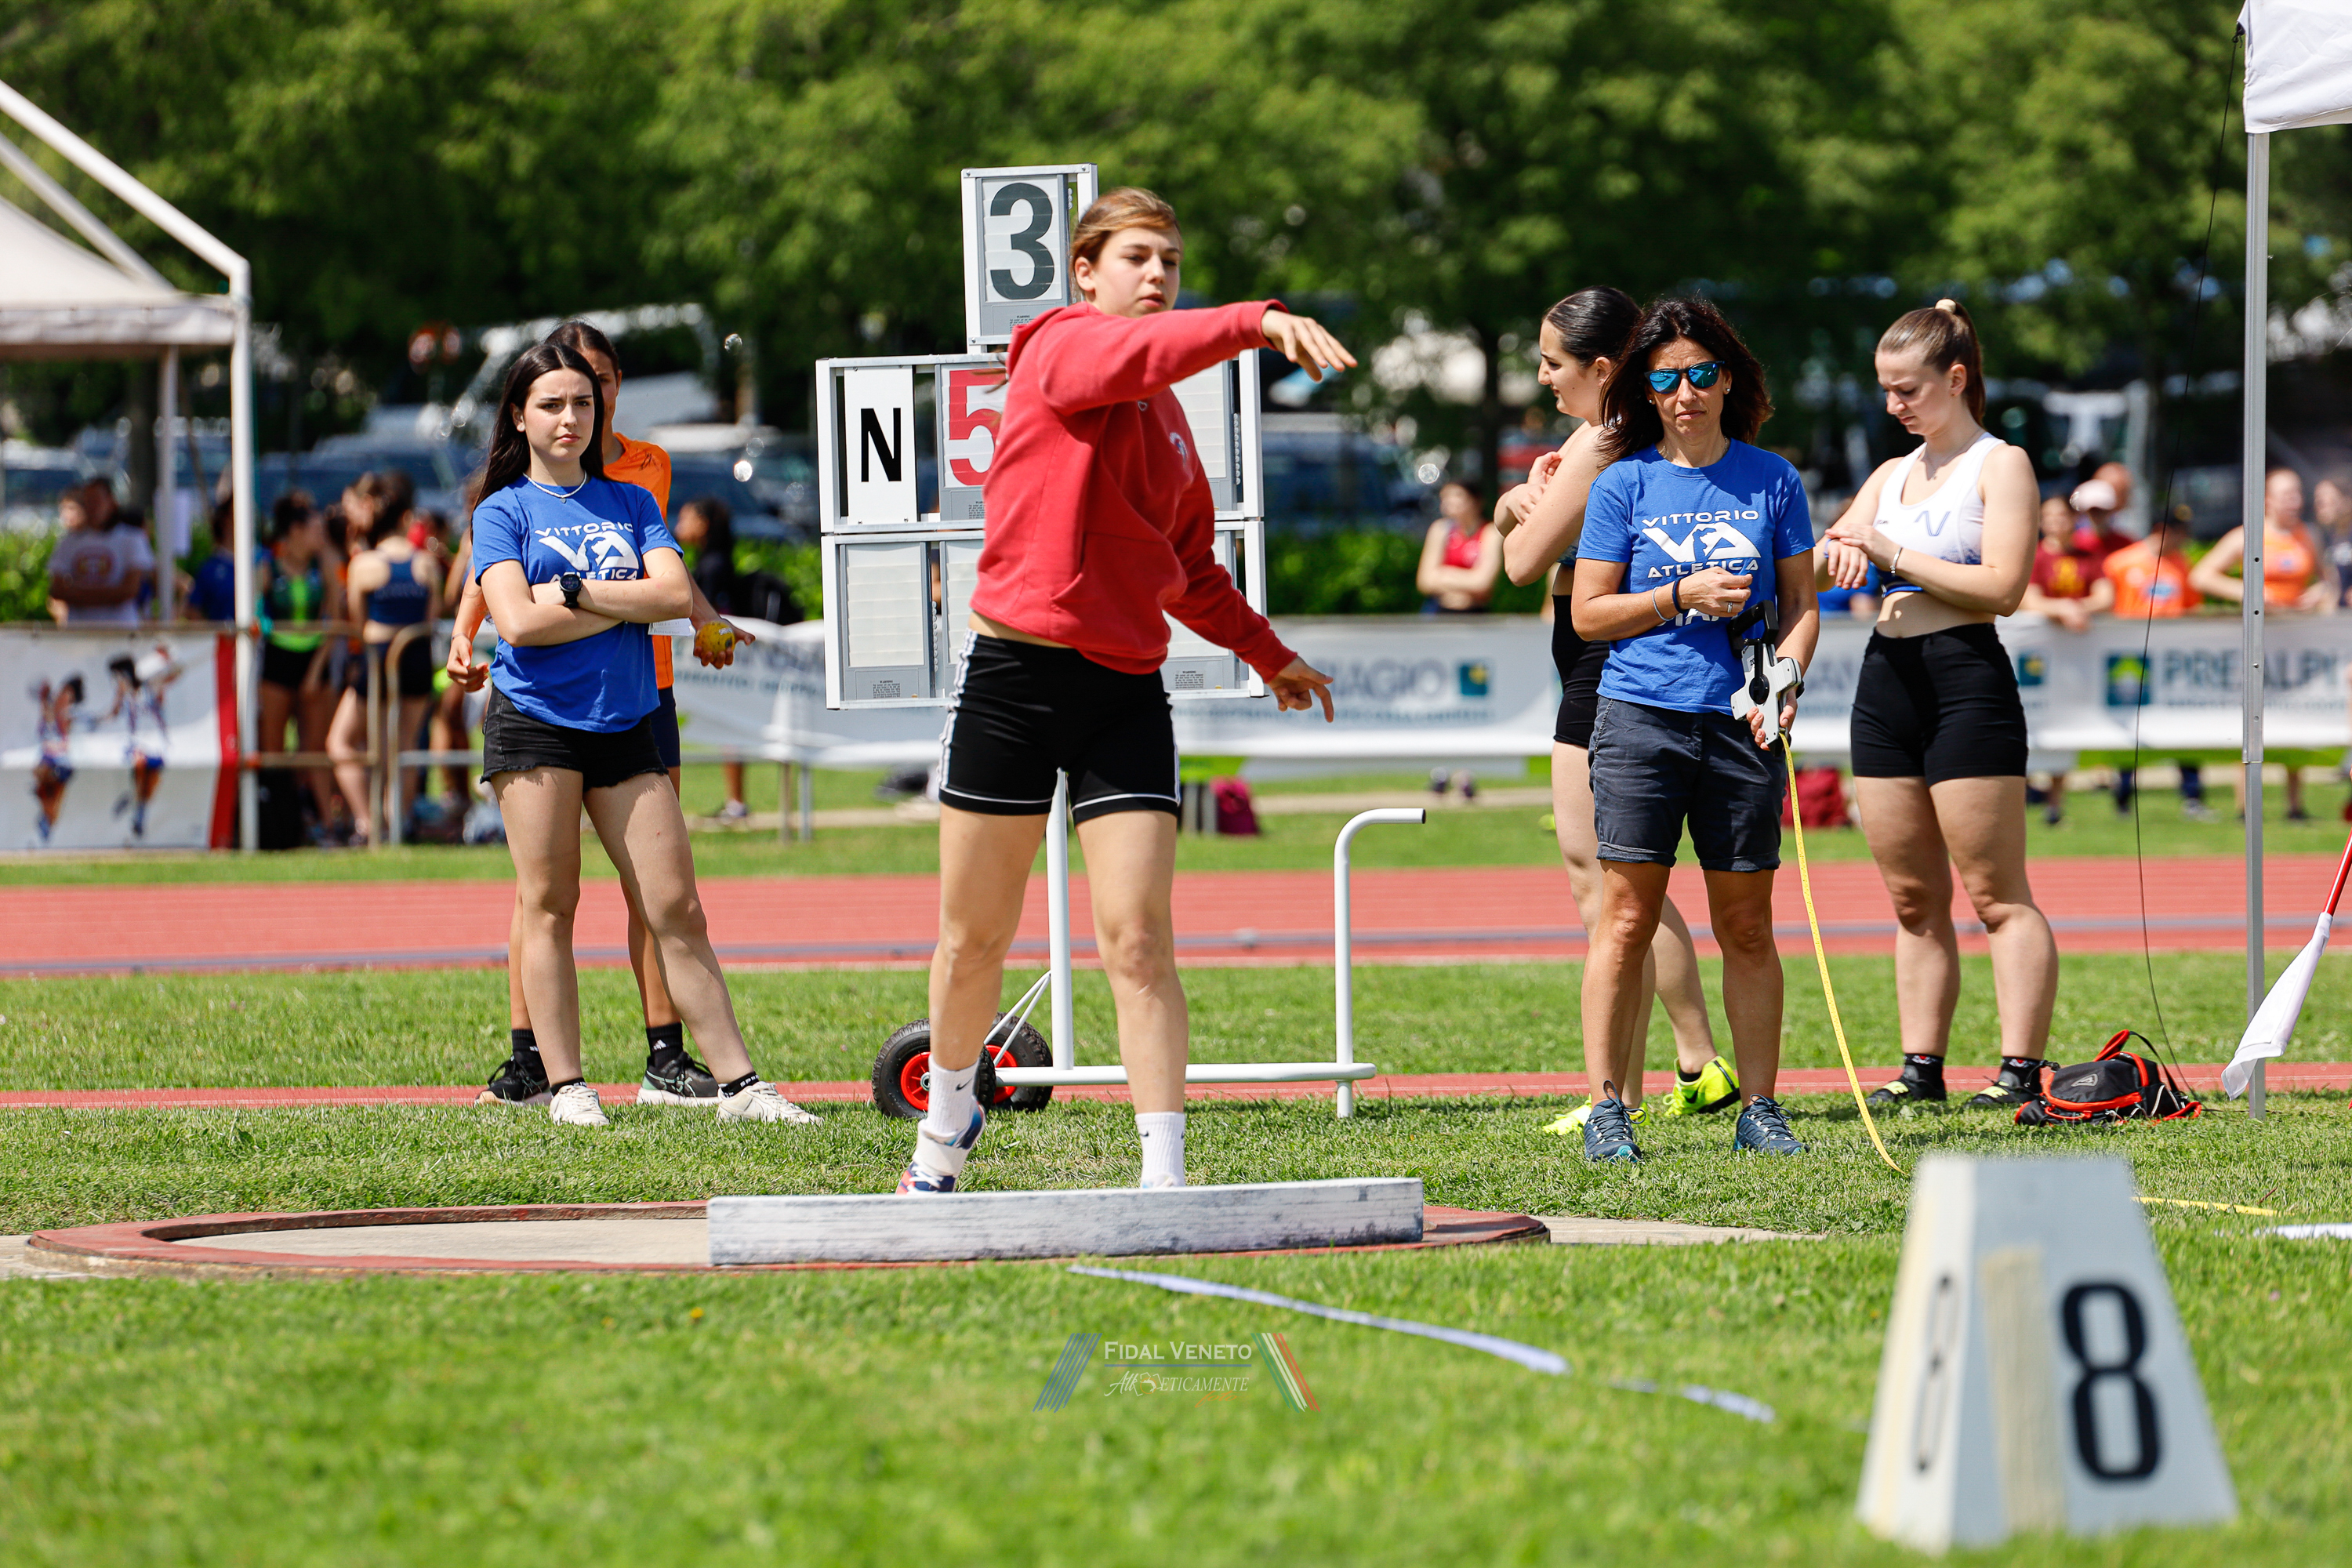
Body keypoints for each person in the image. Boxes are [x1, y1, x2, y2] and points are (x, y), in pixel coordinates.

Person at [907, 186, 1345, 1195]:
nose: (1157, 274)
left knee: (1139, 939)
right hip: (1013, 680)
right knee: (973, 937)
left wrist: (1269, 653)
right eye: (1137, 257)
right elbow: (1137, 354)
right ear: (1086, 272)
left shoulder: (1171, 421)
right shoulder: (1057, 346)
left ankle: (1165, 1174)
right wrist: (1256, 320)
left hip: (1126, 692)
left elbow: (1189, 569)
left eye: (1171, 261)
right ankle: (946, 1121)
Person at [465, 339, 811, 1127]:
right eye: (551, 404)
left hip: (626, 720)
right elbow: (517, 623)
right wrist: (623, 601)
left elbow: (673, 596)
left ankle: (742, 1087)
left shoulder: (631, 501)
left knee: (676, 904)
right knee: (550, 903)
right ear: (518, 416)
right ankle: (567, 1086)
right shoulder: (502, 510)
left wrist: (573, 590)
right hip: (536, 724)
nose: (570, 418)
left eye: (582, 403)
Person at [1569, 296, 1819, 1162]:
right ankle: (1607, 1107)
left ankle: (1761, 1107)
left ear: (1729, 379)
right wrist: (1679, 594)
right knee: (1627, 919)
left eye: (1702, 374)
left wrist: (1786, 680)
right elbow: (1589, 613)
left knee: (1747, 925)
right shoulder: (1624, 483)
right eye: (1666, 378)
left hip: (1741, 724)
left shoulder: (1772, 478)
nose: (1686, 393)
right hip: (1640, 715)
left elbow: (1801, 605)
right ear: (1645, 388)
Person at [1492, 285, 1737, 1132]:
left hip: (1605, 660)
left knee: (1607, 883)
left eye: (1551, 362)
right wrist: (1518, 500)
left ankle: (1627, 1089)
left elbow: (1519, 559)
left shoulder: (1606, 439)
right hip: (1597, 656)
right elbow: (1524, 521)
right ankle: (1695, 1061)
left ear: (1601, 369)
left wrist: (1521, 508)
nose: (1542, 376)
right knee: (1619, 881)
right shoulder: (1613, 436)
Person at [1817, 301, 2058, 1112]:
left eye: (1908, 389)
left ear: (1956, 380)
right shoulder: (1890, 474)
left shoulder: (2001, 463)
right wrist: (1809, 554)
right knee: (1913, 899)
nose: (1894, 405)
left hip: (1965, 681)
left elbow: (2003, 587)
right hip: (1885, 682)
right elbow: (1827, 554)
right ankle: (1920, 1068)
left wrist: (1891, 552)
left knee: (1997, 895)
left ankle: (2019, 1068)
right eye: (1885, 390)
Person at [2188, 467, 2337, 820]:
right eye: (2285, 495)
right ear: (2267, 500)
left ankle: (2294, 805)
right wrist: (2251, 593)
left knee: (2297, 718)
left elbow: (2329, 581)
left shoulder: (2308, 536)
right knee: (2251, 720)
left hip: (2296, 643)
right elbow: (2201, 575)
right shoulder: (2248, 535)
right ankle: (2245, 807)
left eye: (2297, 494)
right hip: (2257, 642)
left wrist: (2317, 594)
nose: (2293, 502)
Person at [326, 475, 441, 843]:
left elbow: (357, 622)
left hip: (378, 660)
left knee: (341, 741)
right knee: (405, 744)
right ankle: (397, 823)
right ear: (406, 518)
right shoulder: (426, 564)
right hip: (416, 657)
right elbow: (432, 618)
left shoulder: (364, 564)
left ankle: (367, 823)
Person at [2101, 514, 2212, 819]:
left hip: (2172, 661)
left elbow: (2192, 607)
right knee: (2130, 727)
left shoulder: (2182, 564)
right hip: (2133, 659)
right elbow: (2108, 606)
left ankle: (2192, 795)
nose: (2182, 539)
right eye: (2178, 532)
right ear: (2161, 530)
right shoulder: (2122, 562)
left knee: (2183, 726)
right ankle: (2123, 795)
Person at [258, 490, 338, 831]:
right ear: (295, 531)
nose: (321, 534)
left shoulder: (325, 565)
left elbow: (334, 621)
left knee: (315, 748)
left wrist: (315, 671)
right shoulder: (268, 567)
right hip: (277, 662)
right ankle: (278, 822)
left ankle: (326, 824)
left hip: (314, 661)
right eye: (315, 528)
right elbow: (253, 614)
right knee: (272, 747)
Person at [46, 480, 153, 626]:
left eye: (97, 501)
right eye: (88, 502)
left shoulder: (133, 538)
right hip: (79, 632)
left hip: (121, 630)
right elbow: (57, 590)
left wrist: (78, 594)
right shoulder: (68, 542)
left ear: (112, 501)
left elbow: (130, 590)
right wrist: (110, 594)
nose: (92, 507)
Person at [105, 646, 182, 839]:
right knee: (140, 766)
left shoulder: (150, 687)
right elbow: (113, 714)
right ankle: (136, 807)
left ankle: (135, 805)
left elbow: (175, 675)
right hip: (137, 742)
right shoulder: (123, 694)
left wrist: (168, 660)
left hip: (157, 741)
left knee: (150, 784)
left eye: (118, 676)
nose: (117, 681)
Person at [1417, 481, 1502, 613]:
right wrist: (1467, 582)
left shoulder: (1490, 532)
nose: (1450, 501)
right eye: (1445, 496)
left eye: (1457, 495)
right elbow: (1425, 581)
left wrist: (1443, 574)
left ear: (1476, 501)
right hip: (1439, 609)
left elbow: (1483, 582)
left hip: (1476, 612)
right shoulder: (1440, 529)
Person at [29, 674, 85, 845]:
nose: (62, 697)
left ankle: (47, 824)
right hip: (50, 758)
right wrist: (44, 699)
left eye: (67, 696)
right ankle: (47, 823)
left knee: (53, 797)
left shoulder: (65, 714)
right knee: (49, 794)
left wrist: (44, 700)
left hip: (60, 761)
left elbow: (54, 720)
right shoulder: (55, 709)